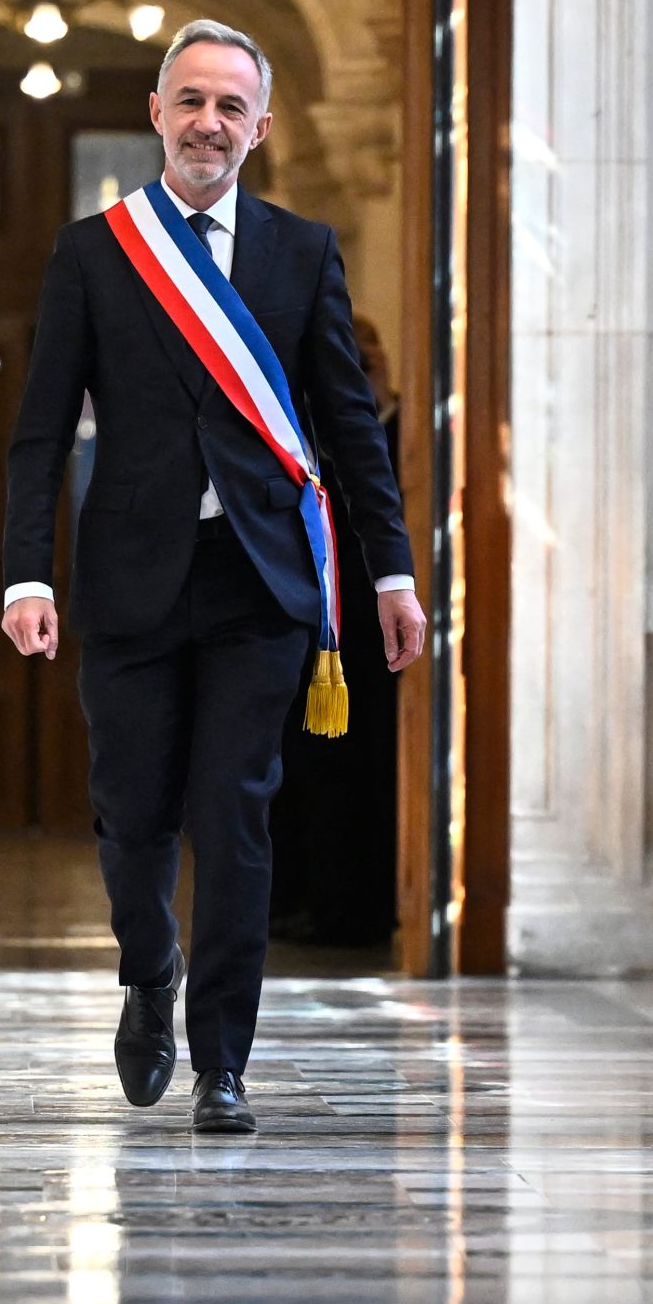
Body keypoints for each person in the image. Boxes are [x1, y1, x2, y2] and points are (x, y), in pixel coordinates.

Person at [0, 20, 425, 1135]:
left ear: (261, 129)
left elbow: (349, 431)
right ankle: (150, 970)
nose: (208, 124)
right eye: (190, 102)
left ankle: (222, 1062)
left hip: (259, 584)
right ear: (156, 113)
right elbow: (40, 431)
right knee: (131, 813)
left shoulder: (302, 252)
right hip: (129, 577)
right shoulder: (93, 252)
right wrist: (21, 579)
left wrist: (390, 572)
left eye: (231, 107)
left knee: (235, 816)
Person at [273, 316, 403, 948]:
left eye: (367, 355)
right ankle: (321, 903)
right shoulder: (304, 440)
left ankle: (367, 907)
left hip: (378, 642)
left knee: (372, 775)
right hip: (315, 636)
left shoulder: (406, 438)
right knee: (314, 777)